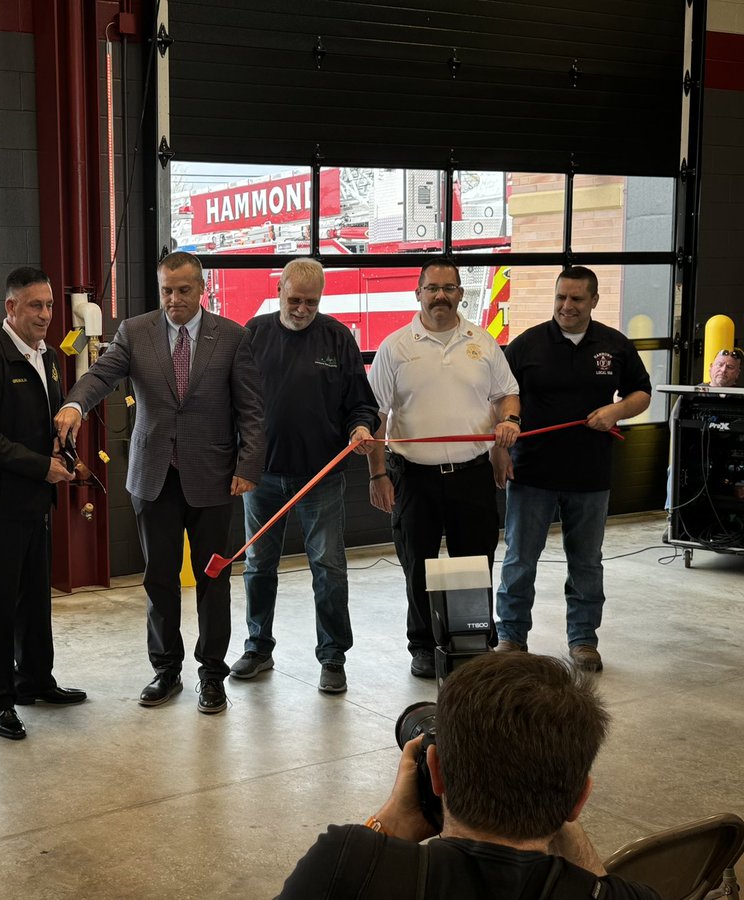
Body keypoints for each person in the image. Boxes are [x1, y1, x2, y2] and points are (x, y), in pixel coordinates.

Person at [55, 251, 265, 714]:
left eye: (183, 290)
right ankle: (166, 670)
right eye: (166, 290)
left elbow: (251, 408)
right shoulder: (136, 331)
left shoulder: (231, 337)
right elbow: (101, 374)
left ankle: (212, 675)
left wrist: (248, 465)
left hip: (214, 479)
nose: (174, 300)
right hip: (152, 478)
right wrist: (76, 405)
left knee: (214, 580)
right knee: (159, 579)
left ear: (201, 288)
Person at [278, 652, 661, 899]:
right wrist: (554, 800)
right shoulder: (629, 896)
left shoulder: (346, 863)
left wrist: (391, 820)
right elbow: (600, 886)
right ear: (580, 799)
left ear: (436, 772)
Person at [228, 258, 379, 693]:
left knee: (328, 567)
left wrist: (361, 427)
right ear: (279, 290)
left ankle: (333, 656)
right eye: (294, 299)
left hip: (322, 476)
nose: (301, 309)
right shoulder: (252, 335)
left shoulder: (337, 337)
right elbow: (230, 400)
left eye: (311, 302)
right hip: (263, 475)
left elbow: (361, 403)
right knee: (258, 566)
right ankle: (258, 647)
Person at [366, 257, 520, 678]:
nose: (440, 296)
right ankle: (422, 645)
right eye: (432, 288)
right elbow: (376, 416)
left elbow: (506, 395)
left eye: (448, 288)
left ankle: (474, 640)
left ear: (460, 294)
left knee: (476, 561)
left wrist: (509, 424)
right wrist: (378, 474)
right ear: (418, 294)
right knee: (418, 563)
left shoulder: (482, 342)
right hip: (414, 477)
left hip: (471, 474)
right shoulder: (395, 346)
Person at [494, 267, 651, 672]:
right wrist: (504, 443)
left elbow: (642, 392)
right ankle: (511, 637)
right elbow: (501, 396)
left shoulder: (614, 346)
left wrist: (617, 410)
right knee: (519, 560)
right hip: (532, 473)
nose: (567, 306)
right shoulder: (526, 345)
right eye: (561, 297)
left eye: (577, 299)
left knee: (586, 562)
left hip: (589, 476)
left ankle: (583, 640)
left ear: (594, 301)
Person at [0, 268, 86, 741]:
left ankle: (34, 680)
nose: (46, 315)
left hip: (33, 499)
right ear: (10, 308)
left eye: (49, 305)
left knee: (34, 598)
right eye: (36, 306)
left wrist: (65, 453)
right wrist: (39, 465)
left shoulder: (46, 357)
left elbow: (43, 422)